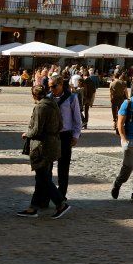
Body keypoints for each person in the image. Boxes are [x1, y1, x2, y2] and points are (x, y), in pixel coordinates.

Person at [17, 85, 70, 219]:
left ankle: (60, 203)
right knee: (41, 177)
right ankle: (33, 207)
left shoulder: (40, 107)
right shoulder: (53, 103)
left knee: (43, 178)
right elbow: (61, 125)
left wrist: (26, 134)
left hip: (42, 146)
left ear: (34, 96)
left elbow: (36, 130)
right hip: (53, 144)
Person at [48, 75, 83, 201]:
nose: (51, 89)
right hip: (51, 136)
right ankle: (49, 194)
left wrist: (75, 135)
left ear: (61, 84)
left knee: (63, 166)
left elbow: (77, 119)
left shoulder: (72, 98)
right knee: (48, 166)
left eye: (53, 86)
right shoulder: (48, 98)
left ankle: (61, 194)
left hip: (65, 135)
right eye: (49, 86)